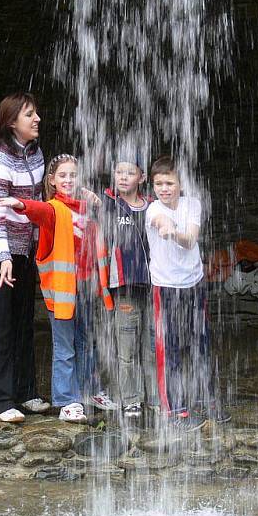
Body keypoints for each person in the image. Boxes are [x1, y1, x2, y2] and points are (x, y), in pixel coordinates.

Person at [0, 154, 116, 424]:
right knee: (65, 347)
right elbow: (39, 211)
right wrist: (20, 204)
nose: (68, 180)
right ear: (52, 180)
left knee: (88, 342)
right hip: (62, 290)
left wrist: (95, 200)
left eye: (73, 175)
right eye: (62, 176)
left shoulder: (85, 207)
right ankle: (66, 400)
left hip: (86, 286)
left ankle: (90, 390)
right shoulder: (54, 209)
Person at [0, 92, 50, 424]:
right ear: (11, 122)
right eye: (29, 114)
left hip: (23, 251)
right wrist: (4, 257)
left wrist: (35, 251)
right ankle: (0, 402)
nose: (37, 119)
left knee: (23, 322)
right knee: (0, 325)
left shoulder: (36, 153)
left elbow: (37, 204)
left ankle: (26, 391)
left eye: (36, 113)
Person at [145, 156, 218, 432]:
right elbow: (161, 220)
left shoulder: (192, 204)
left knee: (201, 343)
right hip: (165, 286)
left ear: (181, 183)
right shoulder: (152, 209)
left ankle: (207, 399)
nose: (164, 189)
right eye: (159, 184)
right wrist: (166, 226)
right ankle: (174, 407)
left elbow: (190, 239)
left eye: (170, 183)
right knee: (170, 348)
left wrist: (173, 232)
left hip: (193, 283)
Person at [102, 158, 158, 418]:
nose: (123, 177)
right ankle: (131, 399)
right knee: (126, 348)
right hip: (124, 286)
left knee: (152, 346)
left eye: (130, 173)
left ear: (142, 177)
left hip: (153, 285)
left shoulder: (153, 207)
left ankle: (155, 399)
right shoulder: (110, 205)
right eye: (119, 172)